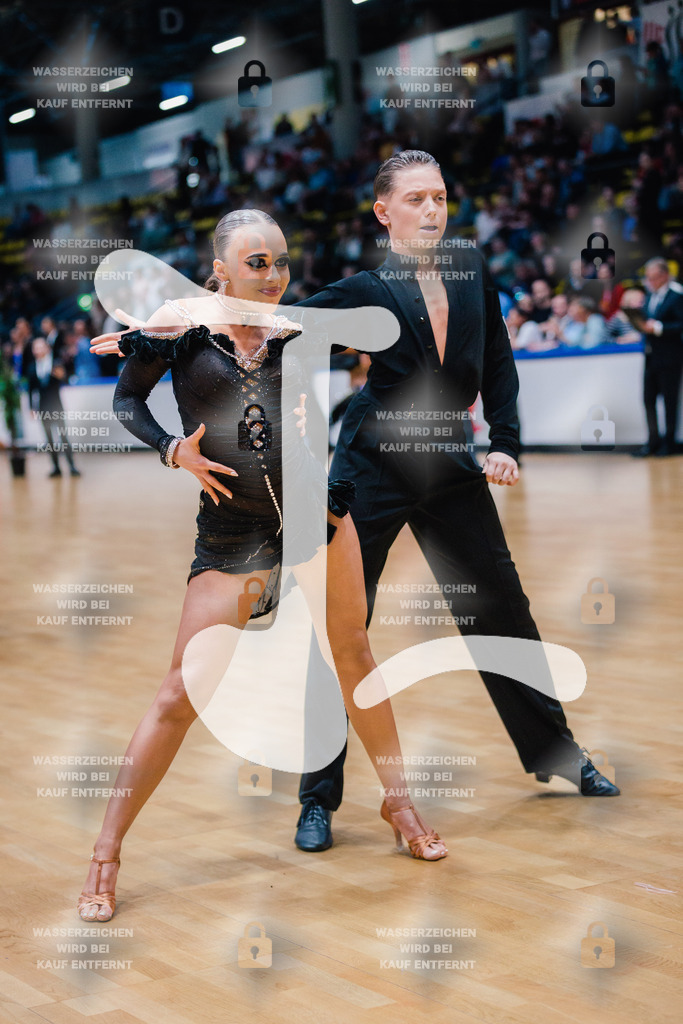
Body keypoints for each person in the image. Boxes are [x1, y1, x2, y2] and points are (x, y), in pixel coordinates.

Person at [78, 210, 447, 923]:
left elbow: (384, 346)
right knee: (179, 696)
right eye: (256, 263)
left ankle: (398, 803)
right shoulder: (180, 331)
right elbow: (127, 398)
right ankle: (105, 851)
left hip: (315, 521)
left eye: (279, 261)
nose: (273, 275)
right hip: (232, 534)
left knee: (355, 658)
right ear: (218, 266)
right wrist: (170, 449)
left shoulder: (298, 326)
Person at [293, 150, 619, 853]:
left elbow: (497, 359)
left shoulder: (471, 274)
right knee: (340, 631)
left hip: (448, 462)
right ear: (383, 212)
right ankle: (316, 798)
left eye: (439, 196)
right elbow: (283, 328)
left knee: (501, 608)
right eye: (415, 199)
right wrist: (176, 328)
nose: (432, 210)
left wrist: (504, 439)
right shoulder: (363, 289)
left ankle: (556, 754)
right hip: (369, 469)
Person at [634, 257, 683, 456]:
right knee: (648, 399)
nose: (650, 282)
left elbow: (680, 324)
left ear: (664, 276)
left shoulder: (676, 296)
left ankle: (669, 442)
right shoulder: (649, 297)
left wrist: (659, 328)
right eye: (647, 278)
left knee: (670, 402)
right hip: (651, 356)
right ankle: (652, 441)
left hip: (670, 357)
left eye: (653, 278)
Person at [25, 336, 80, 477]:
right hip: (42, 407)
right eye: (35, 348)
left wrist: (63, 376)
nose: (38, 350)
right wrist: (31, 407)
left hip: (56, 406)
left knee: (63, 437)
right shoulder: (32, 368)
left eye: (40, 347)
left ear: (47, 348)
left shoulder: (56, 363)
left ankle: (72, 466)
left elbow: (67, 379)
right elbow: (31, 389)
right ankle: (56, 468)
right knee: (49, 439)